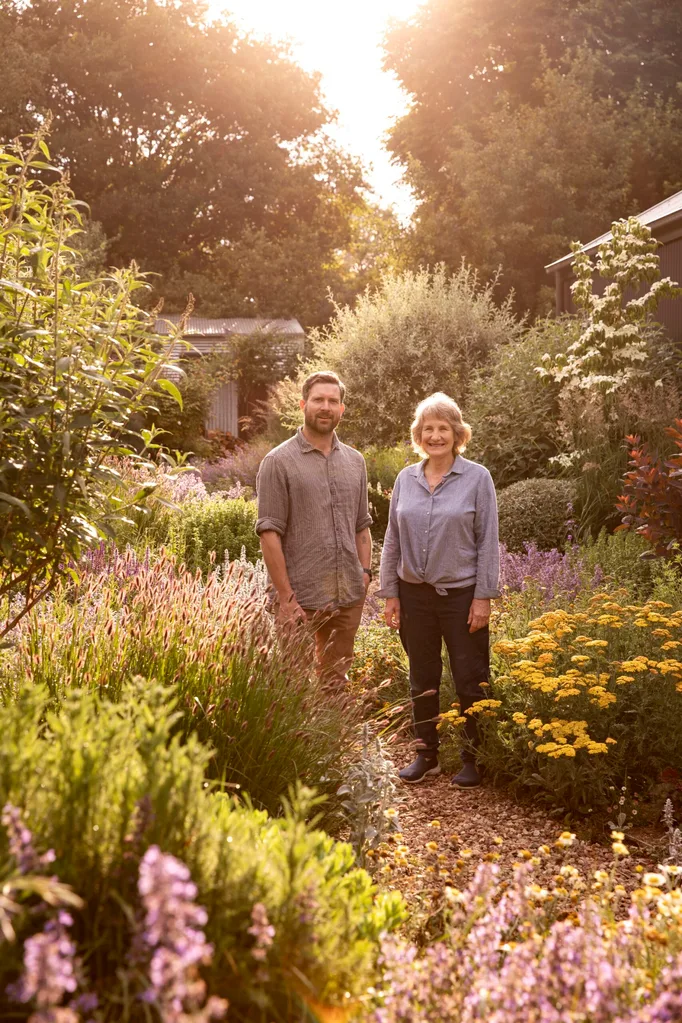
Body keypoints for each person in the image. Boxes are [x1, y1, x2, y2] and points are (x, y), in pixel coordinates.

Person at [378, 392, 500, 788]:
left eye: (443, 428)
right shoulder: (405, 479)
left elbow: (488, 541)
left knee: (470, 676)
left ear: (457, 434)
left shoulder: (477, 478)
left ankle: (474, 757)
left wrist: (483, 597)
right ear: (419, 435)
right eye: (428, 428)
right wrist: (390, 592)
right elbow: (392, 539)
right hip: (414, 597)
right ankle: (425, 754)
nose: (435, 436)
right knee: (422, 677)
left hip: (462, 597)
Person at [256, 371, 373, 686]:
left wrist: (364, 573)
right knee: (292, 687)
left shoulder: (355, 462)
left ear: (341, 410)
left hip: (347, 594)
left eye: (333, 401)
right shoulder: (277, 462)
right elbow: (269, 533)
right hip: (300, 599)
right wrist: (284, 598)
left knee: (335, 682)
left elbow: (362, 525)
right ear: (303, 404)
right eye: (318, 399)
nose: (326, 406)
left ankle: (334, 736)